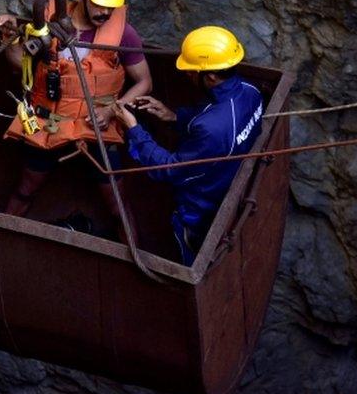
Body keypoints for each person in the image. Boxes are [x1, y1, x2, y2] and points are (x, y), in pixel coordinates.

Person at [1, 0, 153, 235]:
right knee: (25, 189)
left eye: (111, 6)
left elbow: (144, 82)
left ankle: (135, 257)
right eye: (99, 3)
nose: (105, 13)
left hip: (96, 127)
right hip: (49, 122)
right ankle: (0, 237)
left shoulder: (124, 34)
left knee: (117, 203)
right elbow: (18, 63)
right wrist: (10, 38)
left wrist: (113, 109)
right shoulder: (47, 21)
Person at [111, 26, 263, 265]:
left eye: (192, 73)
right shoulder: (250, 92)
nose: (188, 76)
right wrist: (174, 116)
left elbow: (169, 169)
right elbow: (214, 121)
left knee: (188, 252)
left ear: (210, 77)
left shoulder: (213, 128)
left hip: (200, 210)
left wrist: (133, 129)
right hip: (226, 181)